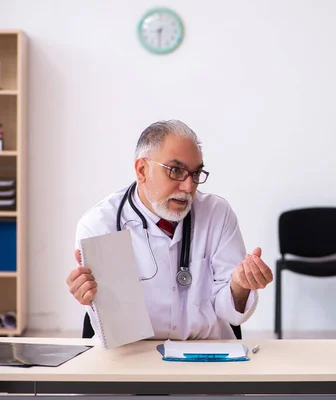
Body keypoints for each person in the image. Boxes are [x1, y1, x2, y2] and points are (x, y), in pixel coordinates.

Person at [66, 120, 273, 340]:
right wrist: (89, 295)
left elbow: (229, 311)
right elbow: (117, 326)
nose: (188, 187)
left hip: (205, 354)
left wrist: (240, 285)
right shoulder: (100, 224)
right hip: (133, 355)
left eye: (195, 174)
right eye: (175, 171)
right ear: (142, 170)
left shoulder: (217, 214)